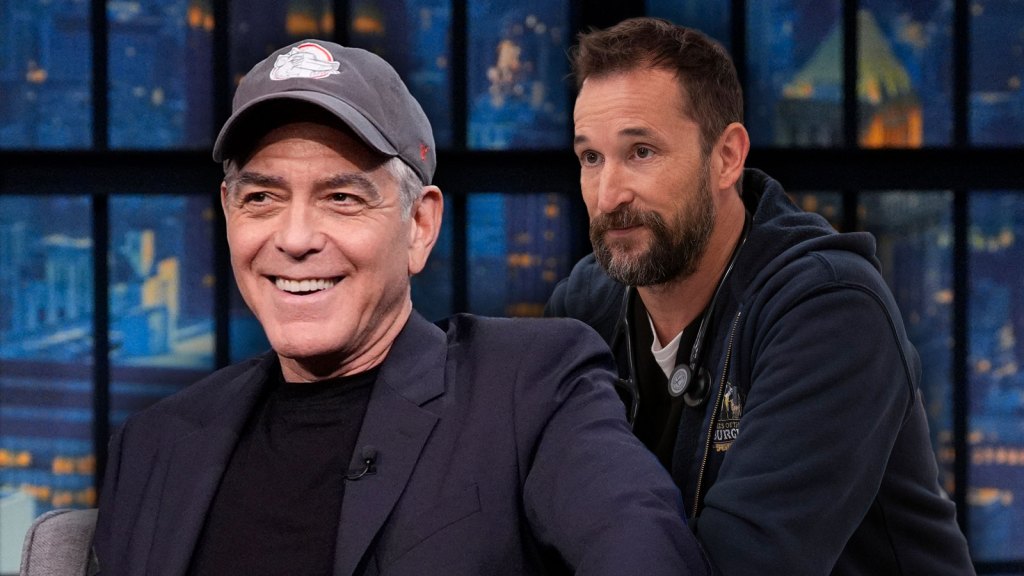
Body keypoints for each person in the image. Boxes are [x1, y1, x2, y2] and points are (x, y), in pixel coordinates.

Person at [92, 40, 709, 576]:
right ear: (229, 215)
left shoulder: (531, 390)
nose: (295, 238)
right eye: (261, 198)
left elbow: (646, 556)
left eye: (341, 197)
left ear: (419, 225)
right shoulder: (153, 447)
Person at [546, 17, 975, 575]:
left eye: (642, 152)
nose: (608, 195)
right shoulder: (584, 308)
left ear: (727, 157)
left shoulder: (832, 310)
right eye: (591, 158)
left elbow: (744, 565)